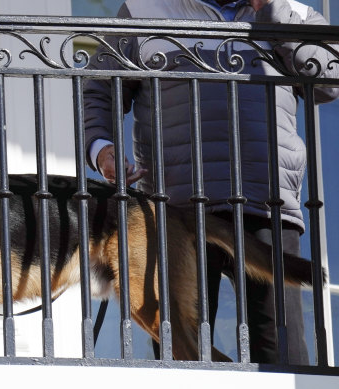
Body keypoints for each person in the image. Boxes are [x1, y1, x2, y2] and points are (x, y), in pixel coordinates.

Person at [84, 0, 339, 364]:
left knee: (281, 352)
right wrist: (103, 149)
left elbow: (328, 83)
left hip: (267, 202)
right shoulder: (144, 8)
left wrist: (272, 10)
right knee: (183, 351)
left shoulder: (292, 11)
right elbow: (100, 88)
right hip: (176, 208)